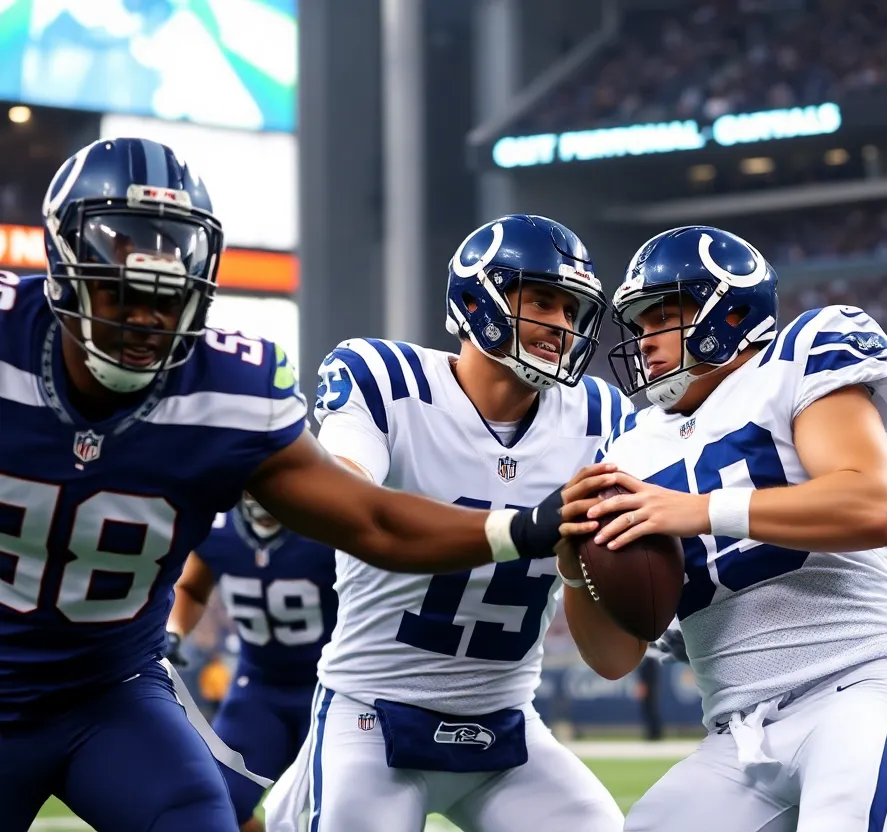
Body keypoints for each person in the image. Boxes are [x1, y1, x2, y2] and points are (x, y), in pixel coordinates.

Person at [0, 139, 608, 832]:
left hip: (109, 691)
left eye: (167, 299)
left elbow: (367, 521)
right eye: (123, 291)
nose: (144, 320)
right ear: (62, 269)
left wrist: (530, 532)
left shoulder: (230, 387)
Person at [560, 225, 887, 831]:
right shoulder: (626, 448)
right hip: (735, 733)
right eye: (640, 325)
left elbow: (874, 504)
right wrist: (578, 572)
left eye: (663, 317)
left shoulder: (796, 359)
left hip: (854, 686)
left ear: (727, 313)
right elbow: (612, 659)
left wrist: (703, 509)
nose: (646, 342)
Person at [263, 214, 626, 832]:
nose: (561, 326)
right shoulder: (385, 381)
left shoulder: (601, 415)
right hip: (372, 719)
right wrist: (524, 526)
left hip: (507, 726)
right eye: (542, 301)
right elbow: (349, 506)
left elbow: (613, 651)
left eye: (572, 310)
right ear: (477, 299)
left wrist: (590, 573)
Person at [168, 494, 338, 832]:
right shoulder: (217, 528)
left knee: (342, 808)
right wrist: (174, 630)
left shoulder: (330, 528)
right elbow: (192, 588)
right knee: (215, 801)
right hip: (259, 688)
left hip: (334, 689)